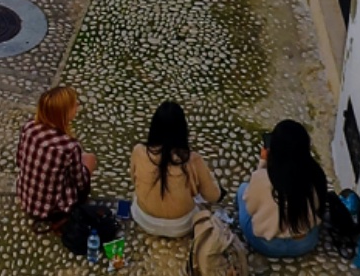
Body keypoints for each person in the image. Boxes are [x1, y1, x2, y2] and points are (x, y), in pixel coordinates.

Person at [237, 119, 327, 258]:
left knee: (243, 190)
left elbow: (250, 208)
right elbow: (317, 206)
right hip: (305, 243)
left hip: (269, 245)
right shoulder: (315, 175)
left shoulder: (262, 178)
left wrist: (262, 163)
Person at [130, 100, 220, 238]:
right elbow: (213, 196)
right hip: (182, 225)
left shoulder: (138, 151)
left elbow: (134, 180)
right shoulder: (192, 160)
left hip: (144, 219)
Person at [16, 85, 97, 230]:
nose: (78, 104)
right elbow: (80, 182)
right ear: (63, 113)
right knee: (89, 158)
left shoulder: (28, 128)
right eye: (74, 105)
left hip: (26, 200)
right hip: (53, 210)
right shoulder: (69, 146)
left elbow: (19, 160)